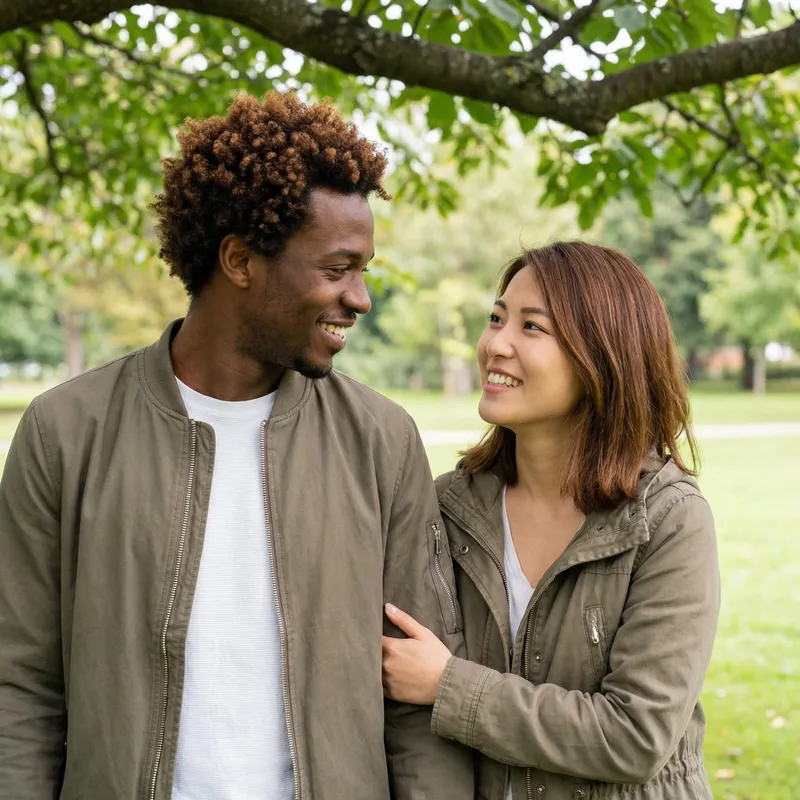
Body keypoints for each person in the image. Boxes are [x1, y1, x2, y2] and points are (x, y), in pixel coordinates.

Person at [0, 92, 472, 800]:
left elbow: (416, 705)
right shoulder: (66, 431)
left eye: (364, 269)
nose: (362, 298)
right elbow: (19, 685)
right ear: (240, 259)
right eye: (338, 268)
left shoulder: (381, 441)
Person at [382, 241, 720, 800]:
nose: (495, 344)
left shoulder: (668, 519)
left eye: (531, 327)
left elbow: (636, 736)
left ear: (603, 357)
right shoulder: (448, 508)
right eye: (496, 318)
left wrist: (449, 686)